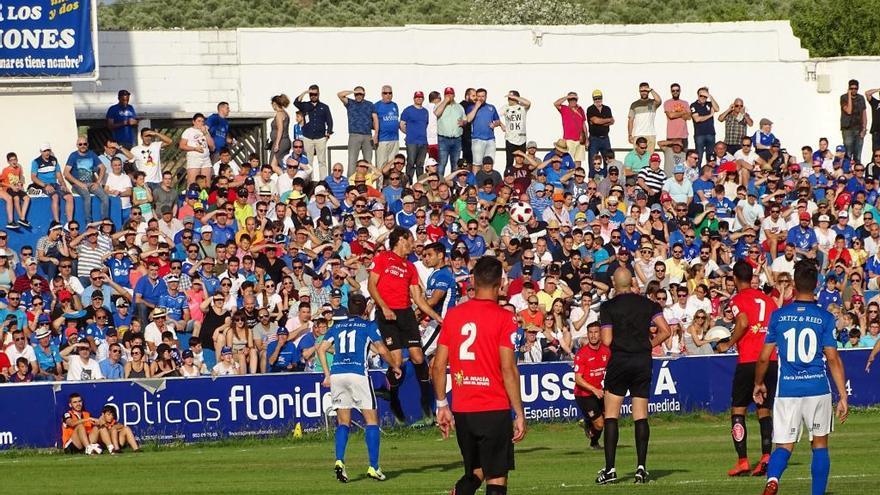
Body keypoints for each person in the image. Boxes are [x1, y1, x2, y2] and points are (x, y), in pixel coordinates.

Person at [431, 256, 526, 495]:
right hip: (493, 406)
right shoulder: (506, 317)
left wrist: (442, 404)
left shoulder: (453, 315)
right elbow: (508, 369)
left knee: (475, 471)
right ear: (500, 283)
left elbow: (438, 365)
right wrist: (519, 412)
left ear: (473, 280)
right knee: (496, 476)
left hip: (464, 409)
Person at [755, 259, 849, 495]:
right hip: (817, 388)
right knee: (819, 444)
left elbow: (764, 357)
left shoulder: (779, 315)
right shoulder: (825, 318)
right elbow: (833, 358)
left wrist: (758, 383)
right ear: (816, 284)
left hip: (787, 390)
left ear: (794, 284)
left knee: (784, 445)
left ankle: (773, 479)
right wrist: (843, 396)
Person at [596, 268, 671, 484]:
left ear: (614, 282)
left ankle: (610, 469)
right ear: (632, 282)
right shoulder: (648, 304)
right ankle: (641, 468)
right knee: (640, 415)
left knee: (611, 415)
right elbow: (666, 330)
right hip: (641, 360)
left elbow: (607, 340)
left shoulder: (608, 306)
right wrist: (648, 344)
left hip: (620, 360)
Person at [317, 294, 401, 483]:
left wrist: (327, 375)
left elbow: (321, 349)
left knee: (343, 422)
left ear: (347, 309)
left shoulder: (337, 326)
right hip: (357, 373)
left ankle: (339, 461)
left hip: (337, 374)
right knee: (371, 420)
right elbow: (381, 349)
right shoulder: (368, 326)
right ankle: (374, 466)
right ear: (364, 310)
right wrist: (394, 366)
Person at [367, 227, 443, 425]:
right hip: (387, 313)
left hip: (405, 313)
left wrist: (437, 317)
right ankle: (391, 397)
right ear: (402, 239)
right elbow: (371, 285)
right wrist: (383, 307)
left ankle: (427, 404)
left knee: (419, 357)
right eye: (411, 239)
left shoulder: (410, 267)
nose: (414, 244)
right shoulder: (383, 258)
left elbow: (418, 297)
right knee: (397, 361)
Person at [714, 260, 779, 477]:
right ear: (752, 277)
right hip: (770, 359)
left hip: (749, 359)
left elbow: (742, 322)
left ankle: (742, 460)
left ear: (734, 278)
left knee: (738, 409)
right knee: (764, 409)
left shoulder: (737, 299)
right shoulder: (768, 300)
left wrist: (727, 343)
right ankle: (766, 457)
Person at [573, 322, 610, 450]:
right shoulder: (582, 354)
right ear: (587, 335)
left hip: (599, 391)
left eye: (596, 332)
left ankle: (593, 439)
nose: (593, 335)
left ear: (600, 334)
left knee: (607, 418)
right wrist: (594, 389)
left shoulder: (606, 351)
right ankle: (591, 433)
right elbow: (578, 379)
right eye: (590, 333)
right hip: (584, 394)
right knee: (599, 424)